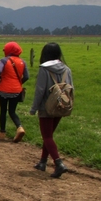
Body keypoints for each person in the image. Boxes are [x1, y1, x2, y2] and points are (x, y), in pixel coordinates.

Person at [29, 42, 73, 178]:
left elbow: (40, 90)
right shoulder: (66, 69)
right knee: (49, 136)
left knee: (47, 136)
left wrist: (34, 108)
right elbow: (70, 88)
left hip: (46, 106)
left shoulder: (44, 69)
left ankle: (59, 163)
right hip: (61, 105)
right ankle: (42, 162)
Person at [0, 41, 30, 142]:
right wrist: (19, 83)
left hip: (4, 89)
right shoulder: (23, 61)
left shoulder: (3, 60)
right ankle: (19, 127)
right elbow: (26, 76)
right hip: (16, 90)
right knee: (12, 111)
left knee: (3, 111)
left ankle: (2, 133)